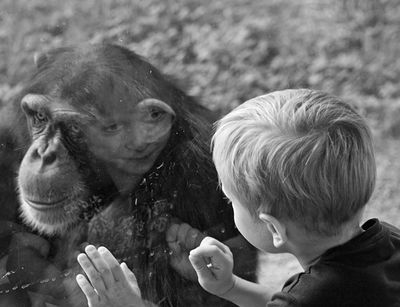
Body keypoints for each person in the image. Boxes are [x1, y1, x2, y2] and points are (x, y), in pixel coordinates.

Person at [76, 89, 400, 306]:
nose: (230, 207)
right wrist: (231, 287)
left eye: (232, 201)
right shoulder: (387, 241)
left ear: (274, 228)